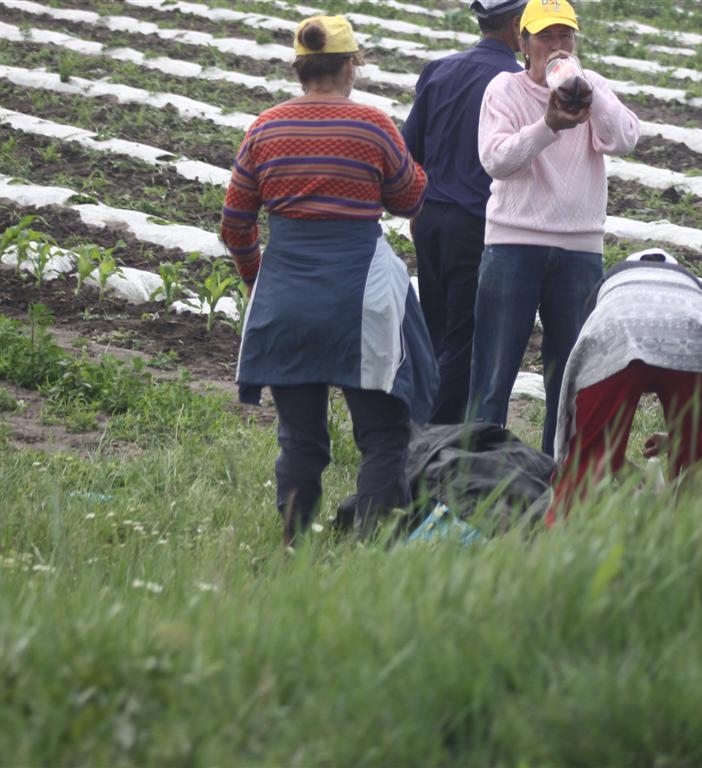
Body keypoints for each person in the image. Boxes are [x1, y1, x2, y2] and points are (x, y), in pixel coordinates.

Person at [219, 15, 437, 547]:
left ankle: (294, 543)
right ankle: (371, 541)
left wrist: (257, 280)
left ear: (298, 69)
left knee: (300, 436)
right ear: (349, 67)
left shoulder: (263, 129)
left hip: (286, 297)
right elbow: (409, 199)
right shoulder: (374, 127)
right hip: (357, 301)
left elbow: (235, 224)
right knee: (383, 433)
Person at [467, 0, 640, 456]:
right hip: (513, 244)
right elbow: (497, 160)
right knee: (494, 373)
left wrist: (587, 89)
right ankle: (478, 478)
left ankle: (555, 483)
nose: (557, 46)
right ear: (523, 43)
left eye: (566, 36)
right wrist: (547, 125)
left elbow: (625, 137)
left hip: (579, 249)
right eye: (546, 37)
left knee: (569, 377)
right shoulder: (504, 90)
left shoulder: (592, 86)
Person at [545, 249, 702, 524]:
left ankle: (560, 540)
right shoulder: (692, 287)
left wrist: (606, 455)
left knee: (588, 461)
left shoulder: (607, 288)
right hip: (691, 339)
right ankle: (696, 538)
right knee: (695, 460)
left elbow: (588, 401)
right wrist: (689, 437)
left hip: (616, 333)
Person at [401, 0, 528, 425]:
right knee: (464, 340)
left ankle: (418, 428)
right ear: (516, 26)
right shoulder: (516, 82)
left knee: (435, 332)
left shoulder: (438, 70)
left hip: (429, 219)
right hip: (477, 224)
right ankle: (435, 442)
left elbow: (409, 150)